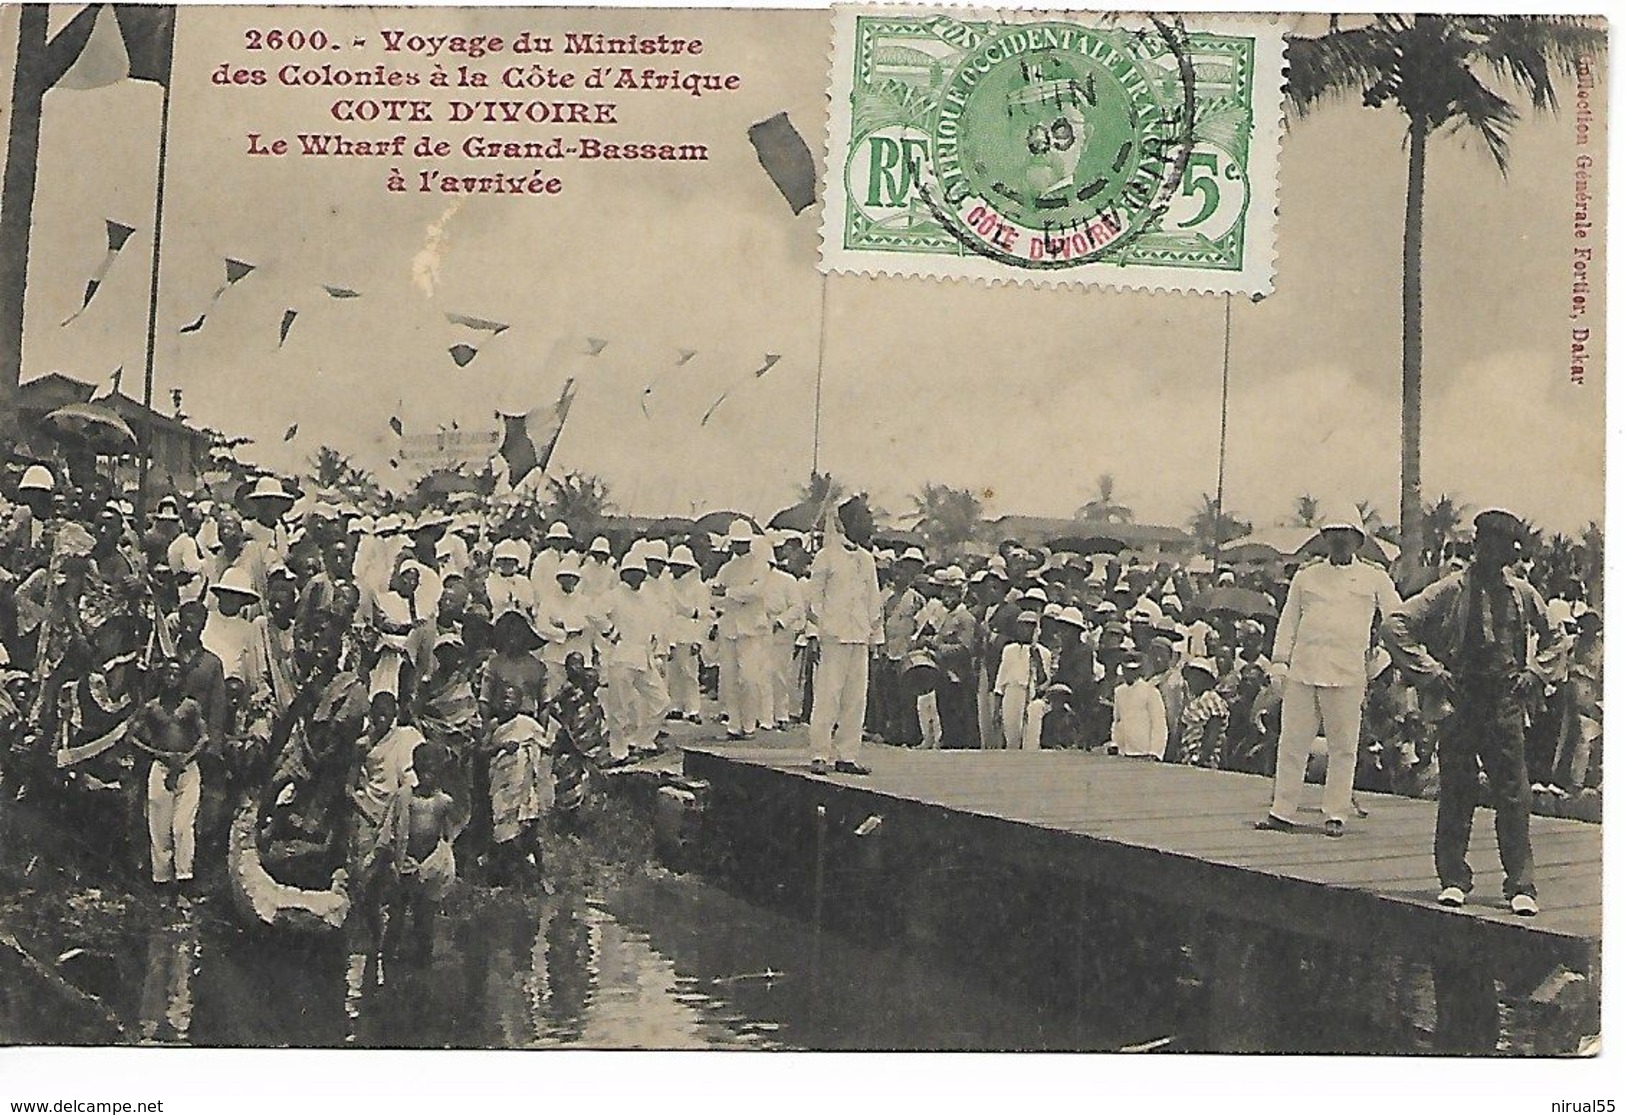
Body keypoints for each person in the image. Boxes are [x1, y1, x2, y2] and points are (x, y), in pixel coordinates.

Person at [1383, 508, 1550, 915]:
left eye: (1503, 550)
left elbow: (1557, 639)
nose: (1494, 557)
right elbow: (1395, 624)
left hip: (1504, 700)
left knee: (1513, 792)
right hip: (1461, 698)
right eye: (1487, 547)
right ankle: (1454, 878)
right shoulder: (1450, 590)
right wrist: (1431, 672)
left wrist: (1536, 672)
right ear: (1476, 546)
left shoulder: (1523, 594)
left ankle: (1521, 884)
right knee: (1457, 788)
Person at [1254, 507, 1405, 834]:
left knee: (1343, 747)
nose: (1339, 540)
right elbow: (1289, 621)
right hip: (1304, 670)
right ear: (1324, 538)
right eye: (1333, 533)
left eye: (1346, 534)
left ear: (1358, 539)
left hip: (1348, 672)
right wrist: (1279, 662)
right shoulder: (1306, 576)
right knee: (1292, 743)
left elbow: (1397, 619)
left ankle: (1335, 813)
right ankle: (1282, 810)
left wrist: (1384, 659)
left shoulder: (1375, 577)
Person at [805, 497, 883, 775]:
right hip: (833, 637)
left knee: (855, 699)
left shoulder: (867, 559)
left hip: (859, 637)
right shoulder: (825, 556)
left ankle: (847, 755)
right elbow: (814, 599)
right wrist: (812, 634)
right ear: (850, 522)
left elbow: (874, 602)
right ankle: (820, 754)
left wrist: (876, 640)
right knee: (827, 696)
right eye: (865, 518)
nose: (870, 524)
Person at [126, 656, 209, 906]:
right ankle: (162, 884)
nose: (171, 679)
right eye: (168, 674)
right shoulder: (152, 708)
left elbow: (204, 737)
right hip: (161, 769)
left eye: (176, 675)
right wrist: (159, 754)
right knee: (159, 829)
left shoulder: (191, 707)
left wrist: (185, 758)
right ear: (161, 678)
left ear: (182, 680)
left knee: (182, 827)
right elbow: (132, 737)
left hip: (187, 770)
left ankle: (184, 883)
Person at [714, 524, 773, 739]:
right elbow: (715, 597)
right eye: (736, 542)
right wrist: (725, 595)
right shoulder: (726, 569)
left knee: (749, 679)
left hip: (751, 630)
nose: (740, 546)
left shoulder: (760, 565)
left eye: (743, 542)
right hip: (729, 628)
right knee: (729, 679)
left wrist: (729, 593)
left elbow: (756, 592)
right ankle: (734, 724)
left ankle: (749, 724)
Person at [993, 611, 1050, 751]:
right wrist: (996, 710)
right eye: (1023, 626)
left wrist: (1036, 656)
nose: (1026, 630)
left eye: (1030, 627)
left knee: (1030, 739)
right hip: (1012, 693)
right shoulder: (1009, 650)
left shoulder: (1044, 652)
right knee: (1012, 738)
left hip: (1031, 695)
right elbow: (1000, 683)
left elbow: (1044, 681)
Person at [1109, 650, 1166, 759]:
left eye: (1133, 670)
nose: (1129, 673)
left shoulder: (1151, 691)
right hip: (1125, 751)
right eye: (1126, 670)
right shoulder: (1119, 692)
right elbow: (1117, 721)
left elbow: (1159, 724)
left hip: (1144, 751)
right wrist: (1115, 743)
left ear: (1139, 671)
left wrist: (1155, 752)